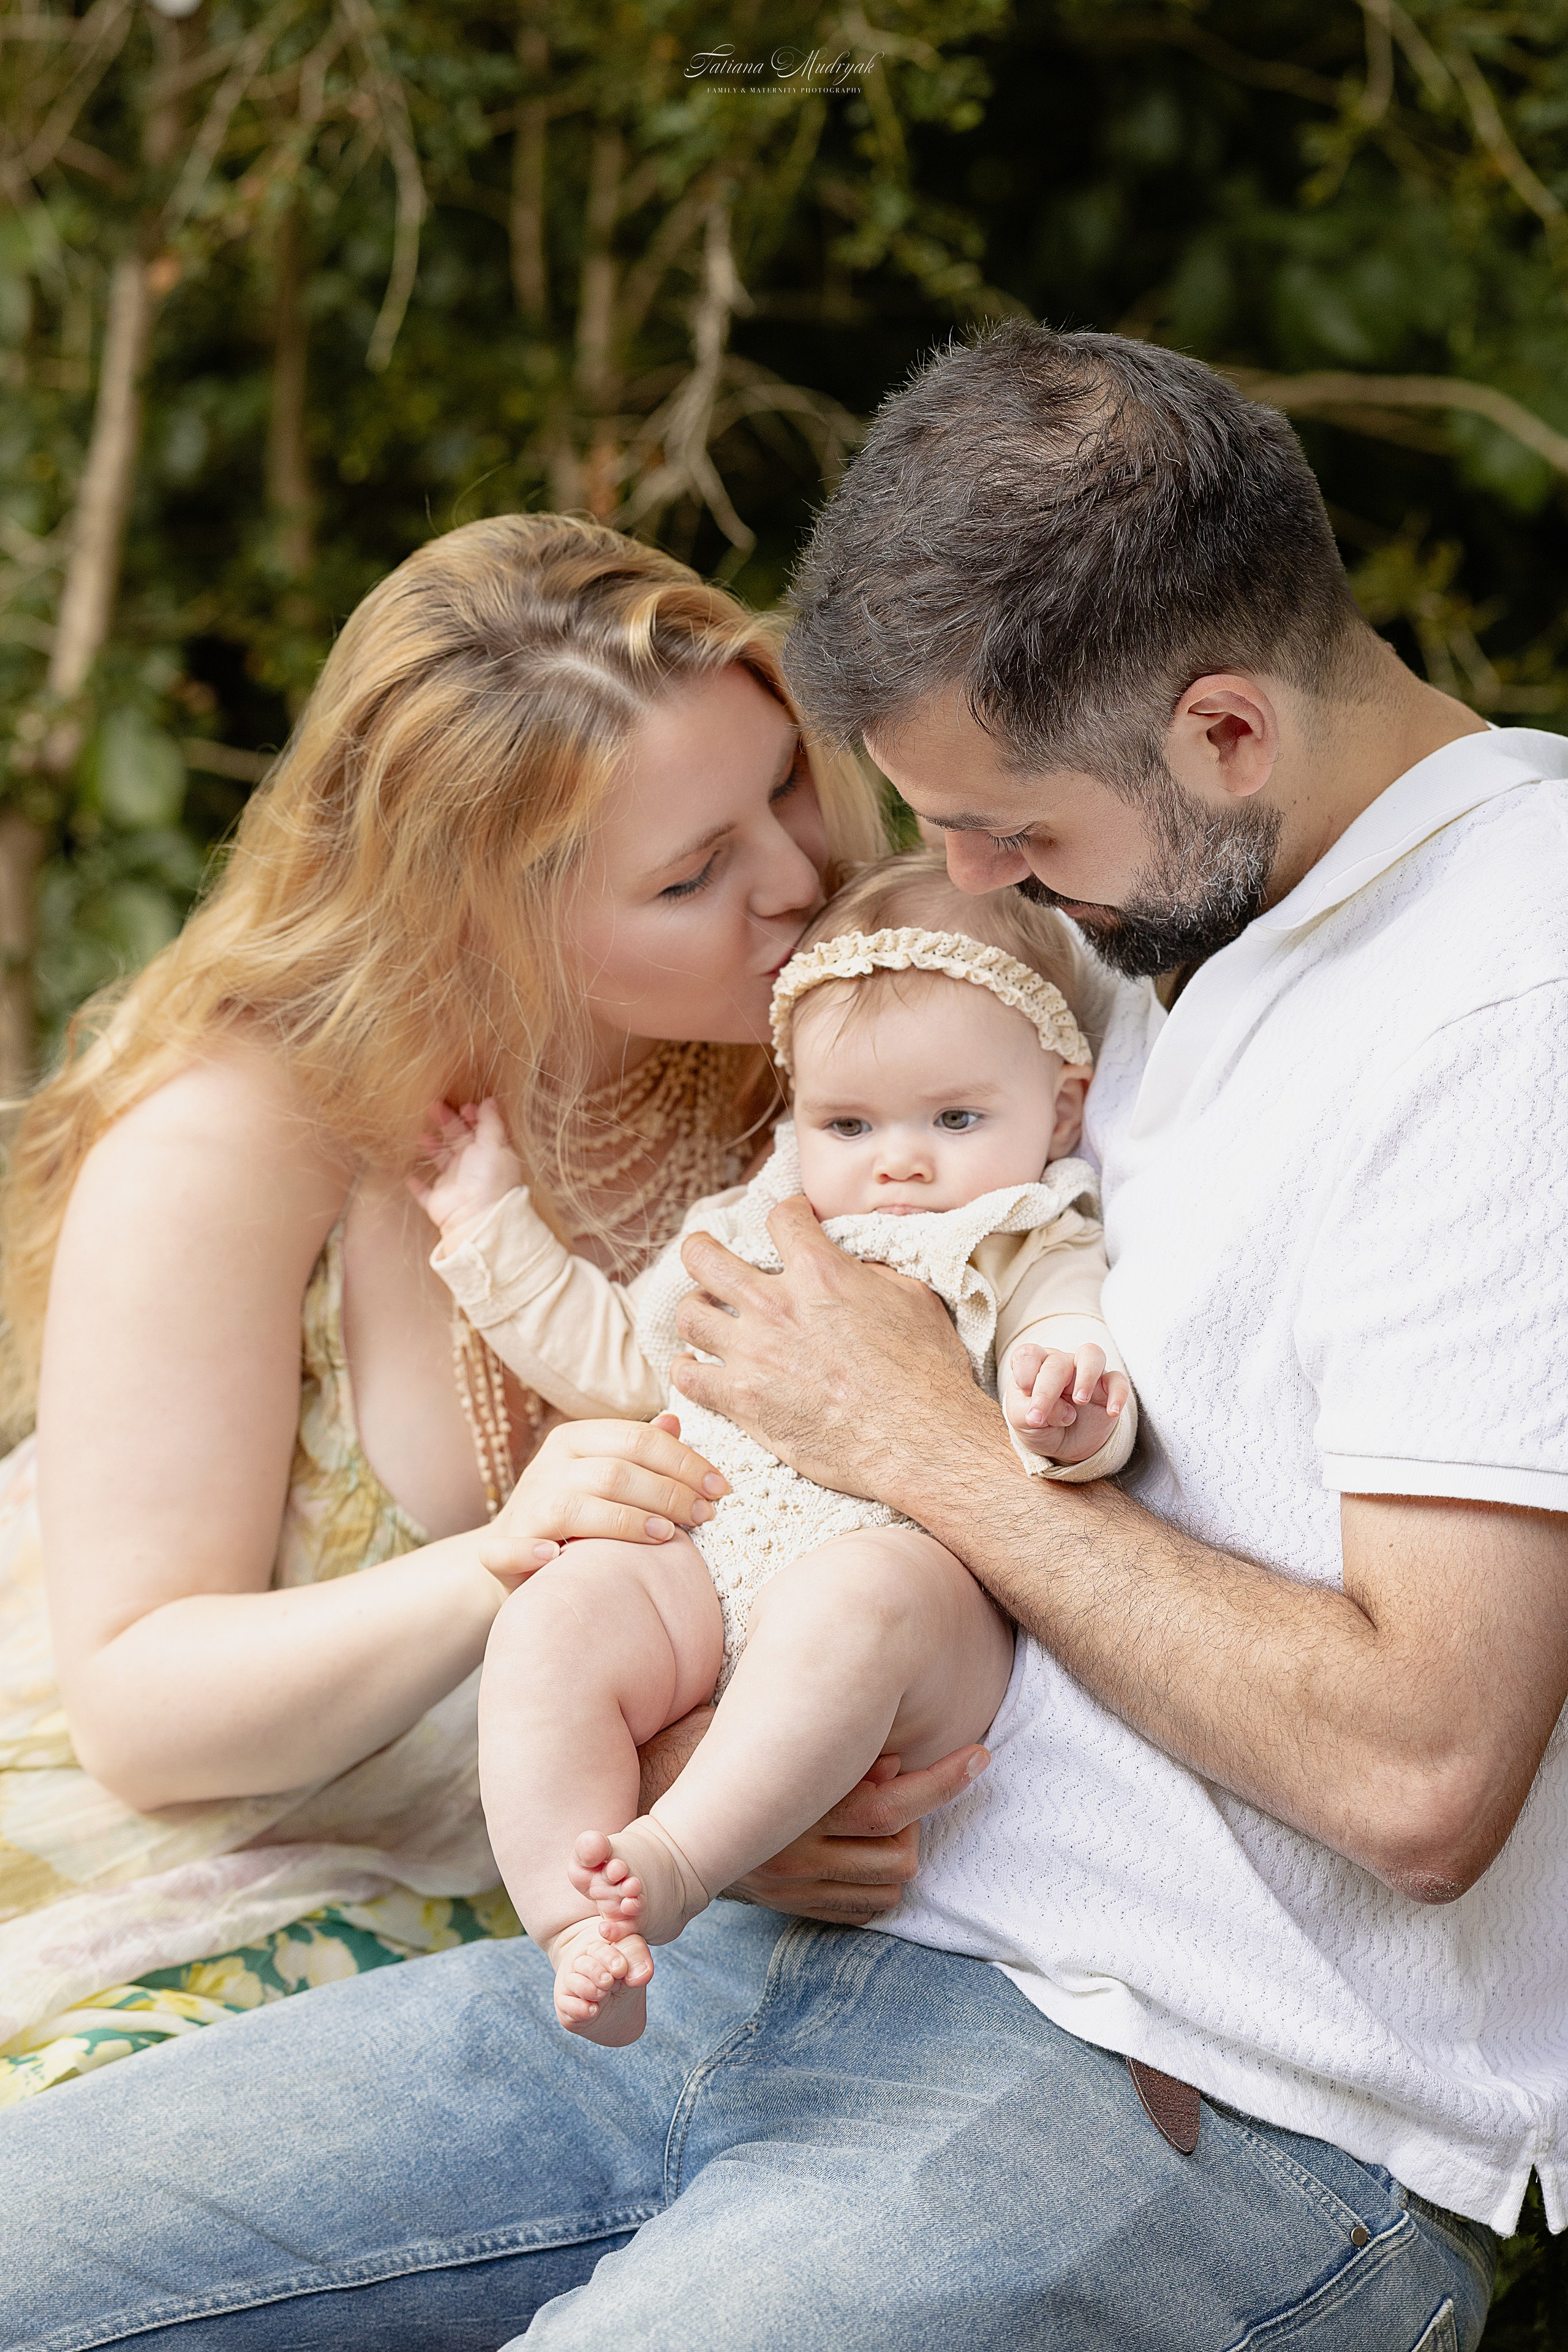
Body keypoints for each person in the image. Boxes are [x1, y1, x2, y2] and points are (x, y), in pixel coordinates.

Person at [2, 326, 1555, 2351]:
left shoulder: (1502, 1005)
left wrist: (922, 1442)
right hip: (757, 1962)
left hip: (1193, 2092)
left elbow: (1425, 1768)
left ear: (1230, 730)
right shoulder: (1179, 902)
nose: (945, 891)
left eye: (1011, 837)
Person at [0, 514, 954, 2103]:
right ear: (483, 912)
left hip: (573, 1906)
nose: (795, 878)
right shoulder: (240, 1141)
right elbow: (140, 1711)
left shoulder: (848, 1064)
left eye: (783, 783)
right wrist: (498, 1573)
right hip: (177, 1872)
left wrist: (718, 1787)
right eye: (692, 872)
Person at [414, 851, 1133, 2041]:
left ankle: (676, 1864)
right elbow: (620, 1356)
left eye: (956, 1118)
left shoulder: (1022, 1233)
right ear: (797, 1115)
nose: (898, 1160)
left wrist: (1067, 1411)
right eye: (847, 1123)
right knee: (553, 1614)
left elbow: (1067, 1342)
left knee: (855, 1599)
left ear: (1059, 1105)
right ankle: (573, 1924)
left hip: (918, 1603)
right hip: (708, 1554)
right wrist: (487, 1224)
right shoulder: (760, 1225)